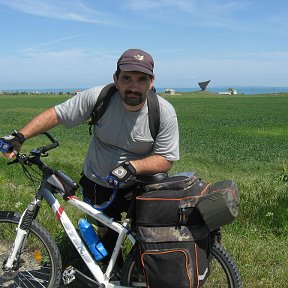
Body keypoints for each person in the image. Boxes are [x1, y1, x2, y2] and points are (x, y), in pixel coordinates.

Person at [0, 48, 180, 267]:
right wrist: (21, 136)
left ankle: (140, 272)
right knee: (106, 233)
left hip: (139, 185)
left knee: (144, 239)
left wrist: (132, 167)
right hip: (98, 182)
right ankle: (113, 271)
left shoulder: (163, 111)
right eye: (127, 78)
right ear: (116, 79)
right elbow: (57, 114)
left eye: (141, 79)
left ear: (151, 82)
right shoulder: (99, 97)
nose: (134, 86)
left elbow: (166, 158)